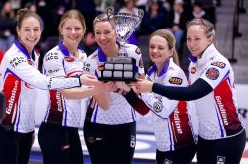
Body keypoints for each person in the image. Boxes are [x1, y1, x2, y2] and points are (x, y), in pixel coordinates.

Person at [0, 8, 99, 164]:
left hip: (26, 129)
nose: (32, 34)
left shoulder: (34, 55)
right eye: (27, 30)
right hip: (7, 127)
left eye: (36, 29)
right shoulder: (14, 57)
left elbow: (28, 95)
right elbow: (44, 82)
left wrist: (29, 129)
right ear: (18, 30)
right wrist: (79, 80)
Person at [133, 18, 246, 164]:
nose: (192, 44)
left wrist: (152, 87)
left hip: (227, 137)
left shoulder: (219, 64)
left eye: (197, 39)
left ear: (210, 40)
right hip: (205, 138)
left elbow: (193, 93)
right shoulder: (194, 65)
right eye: (189, 38)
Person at [37, 9, 113, 164]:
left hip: (72, 129)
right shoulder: (53, 56)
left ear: (84, 30)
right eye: (68, 28)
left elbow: (91, 91)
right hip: (54, 128)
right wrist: (98, 88)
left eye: (77, 28)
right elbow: (66, 93)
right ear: (61, 30)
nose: (73, 32)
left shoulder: (83, 56)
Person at [119, 29, 197, 163]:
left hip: (179, 145)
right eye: (152, 46)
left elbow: (163, 111)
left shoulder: (174, 75)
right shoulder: (152, 72)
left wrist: (144, 90)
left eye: (160, 47)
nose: (154, 51)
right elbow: (144, 109)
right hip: (163, 145)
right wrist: (124, 91)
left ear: (171, 51)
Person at [82, 13, 145, 164]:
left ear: (116, 32)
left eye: (107, 32)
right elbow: (104, 105)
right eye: (98, 33)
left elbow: (141, 89)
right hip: (98, 123)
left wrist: (125, 86)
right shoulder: (90, 63)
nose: (102, 37)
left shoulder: (133, 53)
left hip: (126, 122)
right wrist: (105, 85)